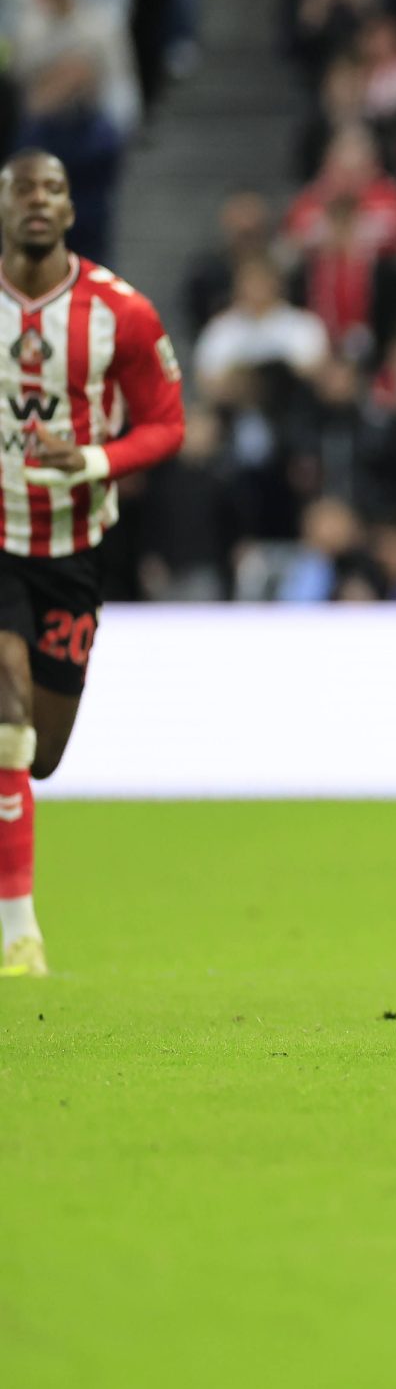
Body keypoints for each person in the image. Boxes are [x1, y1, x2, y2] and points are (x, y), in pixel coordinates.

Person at [0, 151, 187, 978]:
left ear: (72, 209)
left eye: (51, 190)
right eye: (21, 189)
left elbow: (167, 424)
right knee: (6, 724)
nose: (37, 202)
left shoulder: (122, 313)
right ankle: (19, 934)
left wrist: (98, 460)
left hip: (72, 550)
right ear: (4, 207)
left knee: (40, 753)